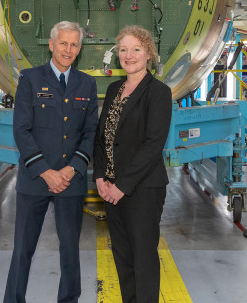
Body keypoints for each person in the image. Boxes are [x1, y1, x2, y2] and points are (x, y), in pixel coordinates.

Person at [4, 21, 98, 303]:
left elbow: (90, 131)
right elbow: (21, 129)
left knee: (70, 249)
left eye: (74, 45)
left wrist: (70, 170)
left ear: (79, 49)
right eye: (63, 43)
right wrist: (46, 172)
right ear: (51, 44)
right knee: (23, 249)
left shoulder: (87, 83)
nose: (68, 50)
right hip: (35, 179)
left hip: (71, 181)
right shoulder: (30, 79)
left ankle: (69, 299)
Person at [93, 25, 172, 303]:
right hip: (111, 188)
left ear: (148, 54)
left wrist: (122, 186)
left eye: (136, 49)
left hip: (143, 190)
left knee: (144, 258)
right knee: (123, 256)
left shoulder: (158, 92)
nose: (129, 55)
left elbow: (153, 144)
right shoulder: (115, 89)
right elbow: (102, 137)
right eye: (123, 50)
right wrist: (101, 177)